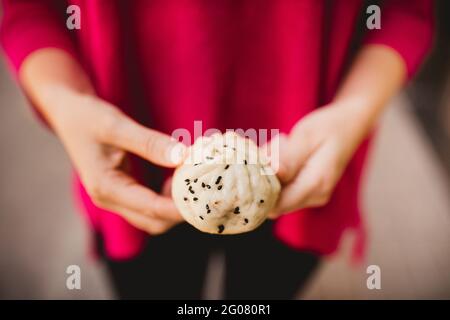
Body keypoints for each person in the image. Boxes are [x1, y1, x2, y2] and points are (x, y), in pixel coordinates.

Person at [0, 0, 433, 299]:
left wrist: (356, 109)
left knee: (260, 297)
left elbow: (406, 10)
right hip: (132, 167)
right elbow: (25, 10)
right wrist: (64, 100)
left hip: (307, 162)